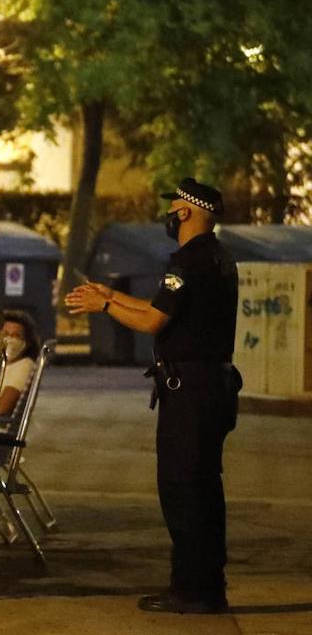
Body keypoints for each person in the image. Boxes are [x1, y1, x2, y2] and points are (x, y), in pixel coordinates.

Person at [66, 177, 239, 615]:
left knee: (183, 489)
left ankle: (191, 589)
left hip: (191, 393)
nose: (169, 214)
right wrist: (111, 295)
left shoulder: (188, 260)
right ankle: (208, 586)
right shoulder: (217, 257)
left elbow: (151, 323)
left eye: (173, 207)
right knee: (203, 488)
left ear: (184, 212)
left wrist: (105, 307)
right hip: (212, 386)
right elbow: (157, 308)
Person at [0, 310, 41, 418]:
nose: (9, 339)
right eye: (5, 334)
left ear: (27, 343)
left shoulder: (24, 366)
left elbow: (1, 409)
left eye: (16, 336)